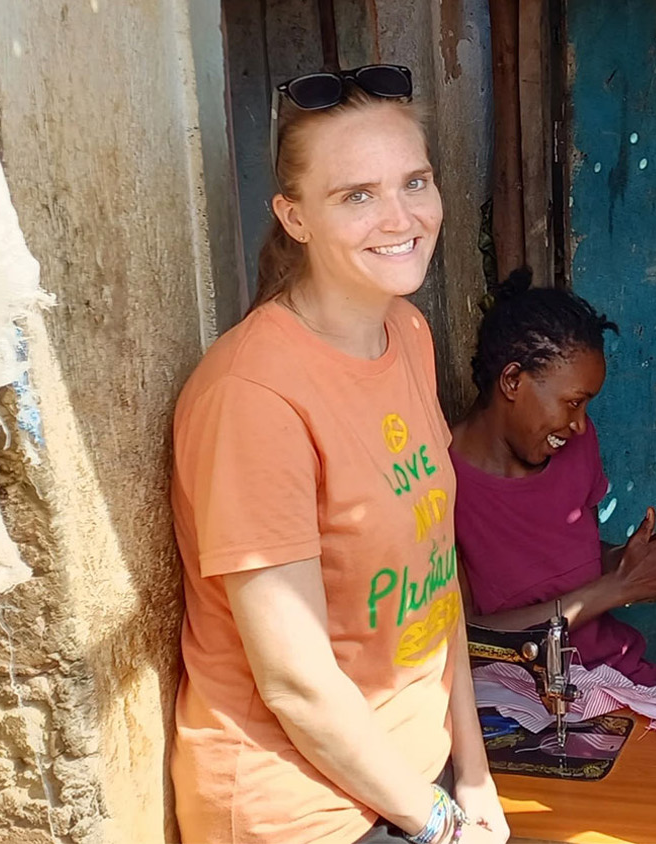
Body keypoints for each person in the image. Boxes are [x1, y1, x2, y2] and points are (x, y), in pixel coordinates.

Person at [169, 67, 506, 844]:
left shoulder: (408, 334)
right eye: (356, 195)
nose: (401, 216)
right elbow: (296, 682)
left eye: (414, 181)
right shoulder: (253, 396)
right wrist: (440, 825)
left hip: (411, 783)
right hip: (303, 812)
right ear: (294, 217)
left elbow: (434, 574)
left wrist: (472, 772)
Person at [450, 272, 656, 684]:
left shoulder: (574, 447)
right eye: (573, 403)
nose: (581, 425)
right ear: (513, 380)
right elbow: (468, 639)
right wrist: (618, 588)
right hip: (523, 696)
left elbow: (570, 561)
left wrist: (655, 557)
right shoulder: (442, 480)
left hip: (616, 674)